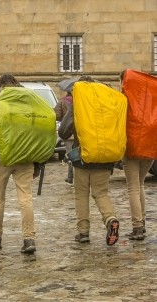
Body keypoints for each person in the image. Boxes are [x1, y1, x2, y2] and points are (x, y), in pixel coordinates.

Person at [0, 74, 54, 254]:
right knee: (25, 198)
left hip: (1, 159)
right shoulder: (28, 104)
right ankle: (29, 239)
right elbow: (36, 134)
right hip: (25, 158)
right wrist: (39, 163)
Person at [58, 75, 121, 245]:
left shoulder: (80, 102)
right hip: (106, 155)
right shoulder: (109, 100)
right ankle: (110, 219)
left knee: (81, 194)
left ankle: (83, 232)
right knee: (101, 193)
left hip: (84, 157)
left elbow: (63, 131)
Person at [119, 69, 155, 240]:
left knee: (133, 186)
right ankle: (142, 223)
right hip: (149, 147)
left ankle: (138, 227)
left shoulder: (126, 98)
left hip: (132, 148)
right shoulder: (152, 95)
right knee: (140, 185)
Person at [55, 89, 74, 184]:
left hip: (68, 133)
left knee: (70, 155)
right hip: (80, 133)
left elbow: (56, 115)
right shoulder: (81, 101)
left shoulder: (62, 102)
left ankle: (71, 177)